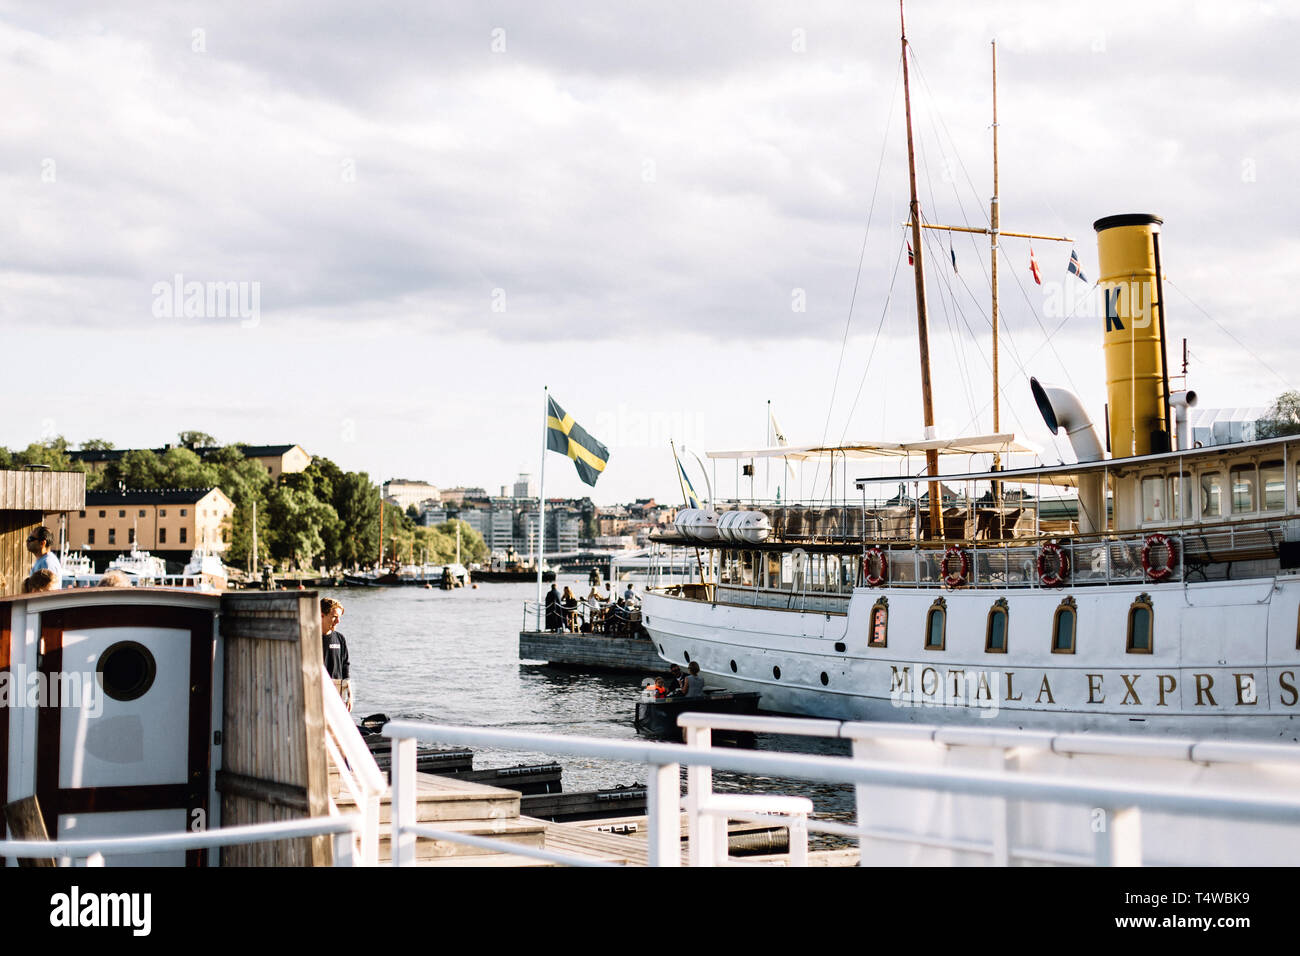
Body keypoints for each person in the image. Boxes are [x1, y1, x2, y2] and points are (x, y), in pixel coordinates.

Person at [320, 598, 353, 712]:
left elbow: (345, 667)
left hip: (337, 693)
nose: (338, 621)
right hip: (318, 692)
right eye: (334, 616)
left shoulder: (340, 638)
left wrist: (350, 696)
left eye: (339, 617)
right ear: (321, 615)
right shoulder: (309, 638)